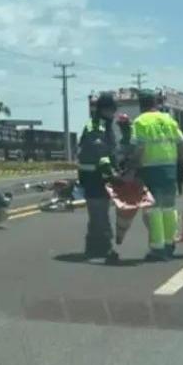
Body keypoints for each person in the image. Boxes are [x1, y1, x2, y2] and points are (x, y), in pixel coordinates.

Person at [131, 91, 183, 261]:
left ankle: (157, 248)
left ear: (141, 105)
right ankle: (169, 243)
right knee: (169, 207)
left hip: (150, 170)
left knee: (153, 210)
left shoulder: (140, 121)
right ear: (156, 103)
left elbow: (139, 149)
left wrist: (131, 169)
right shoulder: (169, 120)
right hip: (170, 169)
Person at [77, 93, 119, 261]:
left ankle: (94, 247)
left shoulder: (105, 125)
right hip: (93, 176)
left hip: (97, 175)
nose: (114, 113)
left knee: (98, 213)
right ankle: (103, 248)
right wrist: (111, 173)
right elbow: (100, 152)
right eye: (112, 110)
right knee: (99, 213)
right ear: (106, 109)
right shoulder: (97, 126)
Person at [106, 113, 154, 246]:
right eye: (122, 126)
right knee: (129, 211)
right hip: (131, 178)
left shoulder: (131, 140)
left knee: (138, 211)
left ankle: (154, 239)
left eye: (124, 125)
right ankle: (155, 240)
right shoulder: (122, 142)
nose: (123, 128)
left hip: (135, 177)